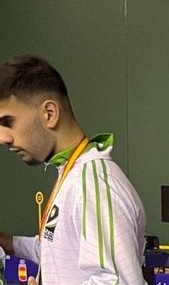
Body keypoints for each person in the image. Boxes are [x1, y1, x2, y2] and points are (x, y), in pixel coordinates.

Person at [0, 55, 147, 284]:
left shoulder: (92, 183)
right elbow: (56, 251)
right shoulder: (72, 174)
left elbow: (117, 281)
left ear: (49, 113)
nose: (3, 138)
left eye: (8, 122)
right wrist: (7, 242)